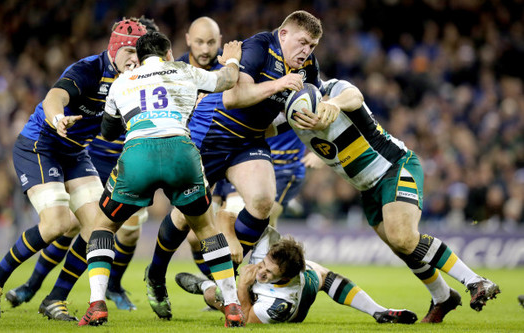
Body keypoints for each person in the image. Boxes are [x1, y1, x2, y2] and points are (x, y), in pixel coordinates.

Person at [144, 10, 339, 318]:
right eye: (303, 42)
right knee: (184, 215)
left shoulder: (308, 68)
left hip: (248, 140)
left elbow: (303, 105)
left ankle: (227, 272)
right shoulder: (260, 47)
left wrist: (317, 116)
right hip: (210, 133)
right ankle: (155, 276)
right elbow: (235, 98)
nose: (307, 51)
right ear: (284, 34)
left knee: (263, 202)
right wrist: (279, 85)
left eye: (313, 46)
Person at [278, 79, 501, 323]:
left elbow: (355, 97)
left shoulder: (332, 89)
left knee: (403, 237)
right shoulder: (290, 113)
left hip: (395, 166)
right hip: (367, 188)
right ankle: (443, 297)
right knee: (402, 247)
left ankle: (475, 280)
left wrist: (333, 104)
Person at [0, 18, 147, 320]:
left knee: (99, 227)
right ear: (115, 48)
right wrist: (57, 119)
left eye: (140, 53)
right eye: (130, 51)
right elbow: (55, 97)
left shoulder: (132, 80)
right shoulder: (87, 69)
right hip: (40, 145)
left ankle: (56, 298)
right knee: (56, 223)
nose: (135, 59)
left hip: (75, 152)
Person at [78, 31, 245, 327]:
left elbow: (107, 132)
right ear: (168, 54)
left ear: (140, 57)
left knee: (103, 226)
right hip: (181, 152)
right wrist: (232, 58)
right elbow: (228, 80)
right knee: (206, 228)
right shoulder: (184, 70)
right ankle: (232, 306)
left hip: (138, 155)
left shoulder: (121, 82)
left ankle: (97, 304)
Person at [175, 227, 417, 324]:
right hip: (309, 279)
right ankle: (378, 311)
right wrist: (232, 235)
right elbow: (252, 223)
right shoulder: (272, 247)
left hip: (292, 308)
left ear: (285, 277)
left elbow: (246, 320)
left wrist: (241, 286)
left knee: (215, 295)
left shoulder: (280, 304)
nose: (261, 271)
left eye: (268, 272)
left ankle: (205, 285)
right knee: (323, 275)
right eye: (264, 264)